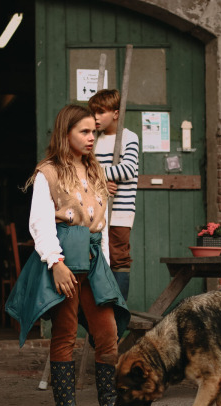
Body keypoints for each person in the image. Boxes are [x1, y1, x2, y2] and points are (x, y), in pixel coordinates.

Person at [5, 104, 134, 406]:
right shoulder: (48, 172)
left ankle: (108, 404)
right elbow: (40, 223)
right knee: (64, 334)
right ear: (66, 134)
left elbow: (101, 225)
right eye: (85, 132)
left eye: (95, 131)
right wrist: (56, 263)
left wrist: (103, 260)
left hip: (93, 262)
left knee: (107, 332)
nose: (92, 137)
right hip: (64, 258)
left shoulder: (97, 171)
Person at [87, 89, 139, 300]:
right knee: (95, 255)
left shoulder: (129, 137)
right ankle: (99, 309)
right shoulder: (94, 140)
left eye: (101, 112)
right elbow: (84, 173)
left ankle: (118, 309)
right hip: (95, 210)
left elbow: (127, 169)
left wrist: (97, 175)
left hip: (120, 210)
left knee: (118, 257)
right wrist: (100, 182)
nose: (95, 117)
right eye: (93, 112)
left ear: (116, 113)